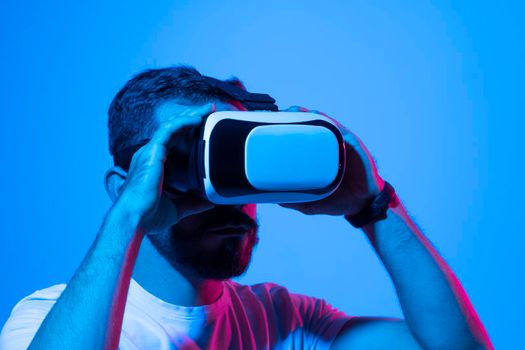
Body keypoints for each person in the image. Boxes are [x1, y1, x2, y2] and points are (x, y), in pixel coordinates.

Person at [0, 66, 493, 350]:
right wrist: (129, 216)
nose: (220, 192)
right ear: (121, 187)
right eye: (192, 159)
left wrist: (375, 205)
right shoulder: (47, 318)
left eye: (234, 155)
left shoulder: (284, 321)